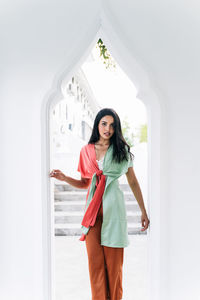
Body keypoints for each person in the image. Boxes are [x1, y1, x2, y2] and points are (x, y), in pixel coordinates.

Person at [50, 108, 150, 300]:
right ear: (97, 124)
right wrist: (64, 178)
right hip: (92, 213)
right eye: (104, 123)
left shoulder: (122, 151)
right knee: (95, 266)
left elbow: (133, 182)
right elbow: (85, 183)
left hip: (114, 211)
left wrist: (143, 211)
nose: (108, 128)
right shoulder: (86, 151)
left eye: (112, 125)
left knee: (114, 268)